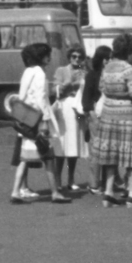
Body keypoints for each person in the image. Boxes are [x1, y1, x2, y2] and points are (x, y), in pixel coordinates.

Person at [9, 42, 72, 205]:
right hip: (38, 119)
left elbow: (22, 97)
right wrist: (45, 119)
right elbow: (41, 98)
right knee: (48, 155)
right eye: (47, 55)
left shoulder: (27, 72)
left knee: (25, 157)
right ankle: (55, 193)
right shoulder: (40, 74)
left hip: (26, 119)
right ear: (41, 57)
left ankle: (16, 191)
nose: (49, 58)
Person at [90, 33, 132, 207]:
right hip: (127, 114)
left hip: (108, 112)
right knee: (131, 153)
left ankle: (108, 192)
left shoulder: (107, 68)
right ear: (129, 51)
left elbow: (102, 88)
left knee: (111, 154)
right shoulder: (129, 69)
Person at [51, 45, 89, 193]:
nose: (76, 59)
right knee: (62, 144)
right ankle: (58, 180)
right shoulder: (61, 70)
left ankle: (71, 179)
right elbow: (54, 90)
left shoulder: (84, 72)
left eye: (79, 57)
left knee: (74, 145)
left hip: (77, 108)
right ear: (69, 57)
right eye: (74, 56)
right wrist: (69, 84)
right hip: (65, 106)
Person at [81, 45, 111, 195]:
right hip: (95, 116)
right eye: (108, 58)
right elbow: (86, 99)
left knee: (108, 150)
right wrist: (91, 115)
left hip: (109, 116)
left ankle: (107, 183)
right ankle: (94, 184)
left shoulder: (111, 74)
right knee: (95, 151)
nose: (110, 61)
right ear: (103, 59)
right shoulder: (92, 75)